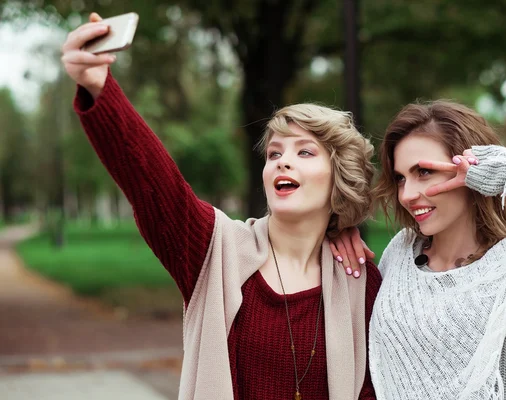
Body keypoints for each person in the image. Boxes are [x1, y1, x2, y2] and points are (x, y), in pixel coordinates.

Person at [61, 13, 382, 400]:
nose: (282, 161)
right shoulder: (213, 249)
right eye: (275, 152)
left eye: (305, 151)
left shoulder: (360, 281)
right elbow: (151, 184)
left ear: (339, 176)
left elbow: (371, 387)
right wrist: (100, 88)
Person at [332, 100, 506, 399]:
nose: (407, 194)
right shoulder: (399, 253)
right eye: (400, 178)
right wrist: (334, 234)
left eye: (424, 172)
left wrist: (498, 170)